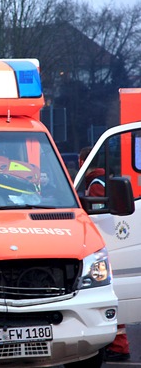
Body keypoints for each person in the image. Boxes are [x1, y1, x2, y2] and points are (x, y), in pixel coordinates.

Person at [79, 146, 130, 362]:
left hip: (103, 249)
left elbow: (99, 217)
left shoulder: (95, 185)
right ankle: (118, 345)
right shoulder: (102, 181)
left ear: (83, 162)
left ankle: (119, 347)